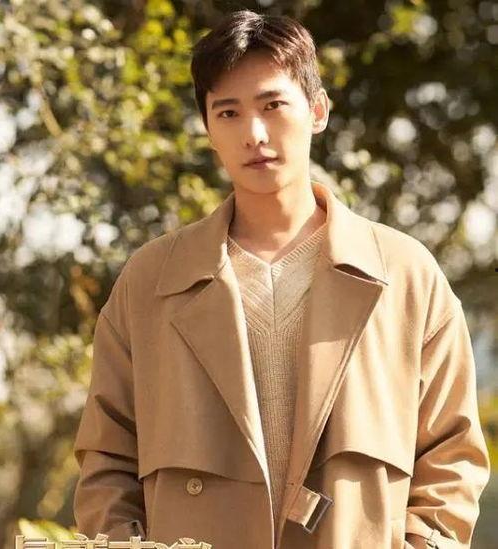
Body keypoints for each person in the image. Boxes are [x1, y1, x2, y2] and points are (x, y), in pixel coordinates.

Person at [73, 9, 490, 549]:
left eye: (272, 105)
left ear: (317, 110)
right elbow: (106, 457)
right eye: (228, 113)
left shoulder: (405, 275)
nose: (254, 134)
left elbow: (452, 453)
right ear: (208, 129)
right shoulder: (151, 280)